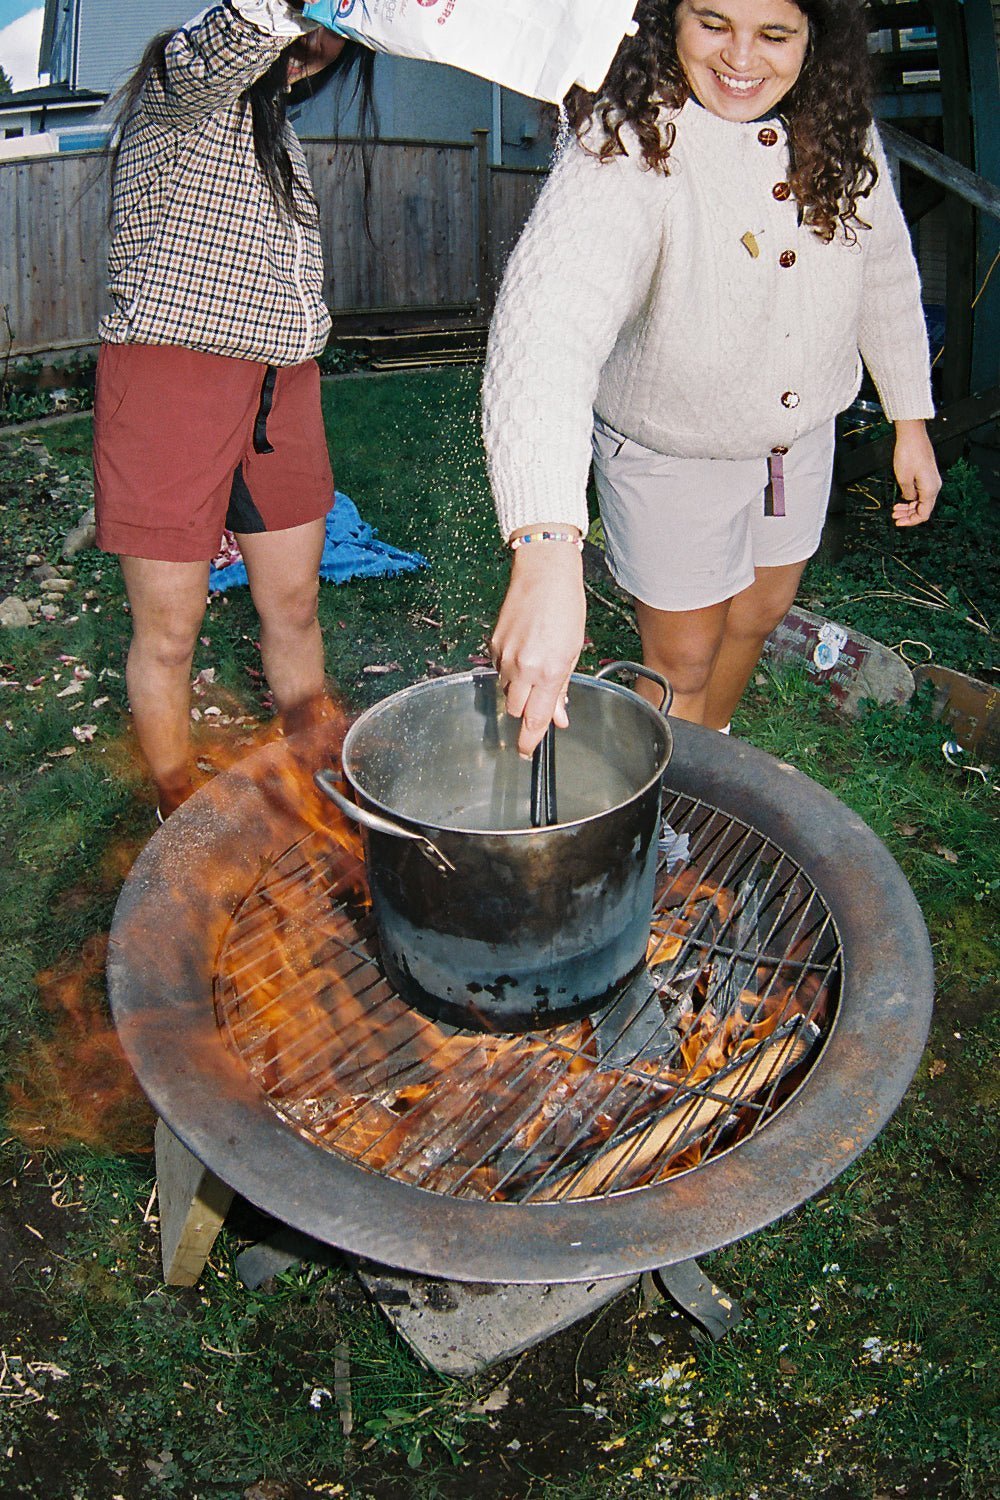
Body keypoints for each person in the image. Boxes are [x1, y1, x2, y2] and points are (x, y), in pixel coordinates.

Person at [482, 0, 941, 755]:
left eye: (774, 34)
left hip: (798, 446)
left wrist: (910, 420)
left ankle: (710, 764)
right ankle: (657, 809)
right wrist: (543, 548)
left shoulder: (841, 133)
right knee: (682, 660)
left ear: (815, 39)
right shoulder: (629, 137)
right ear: (669, 19)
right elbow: (547, 324)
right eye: (714, 22)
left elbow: (884, 268)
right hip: (672, 454)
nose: (741, 58)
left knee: (756, 619)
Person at [93, 0, 374, 817]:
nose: (318, 48)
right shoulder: (180, 85)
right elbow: (244, 28)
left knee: (292, 605)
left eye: (336, 40)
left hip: (281, 388)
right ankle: (175, 805)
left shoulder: (279, 135)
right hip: (169, 381)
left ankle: (317, 767)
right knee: (171, 632)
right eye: (313, 26)